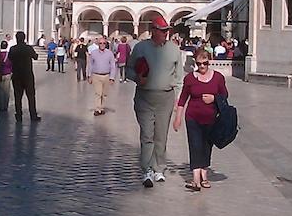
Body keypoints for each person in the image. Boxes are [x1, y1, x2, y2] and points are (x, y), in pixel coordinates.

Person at [128, 16, 182, 187]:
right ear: (153, 31)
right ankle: (147, 169)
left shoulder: (174, 50)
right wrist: (137, 78)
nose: (166, 34)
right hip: (145, 96)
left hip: (165, 97)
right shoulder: (140, 48)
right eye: (162, 31)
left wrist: (177, 101)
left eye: (167, 31)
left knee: (161, 135)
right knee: (147, 134)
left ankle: (159, 167)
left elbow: (179, 77)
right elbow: (128, 69)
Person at [173, 48, 228, 191]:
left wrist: (214, 98)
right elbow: (183, 99)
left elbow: (224, 96)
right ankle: (196, 179)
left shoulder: (218, 78)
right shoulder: (190, 78)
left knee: (206, 146)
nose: (202, 67)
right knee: (195, 145)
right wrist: (177, 117)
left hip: (211, 118)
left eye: (205, 63)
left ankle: (204, 175)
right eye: (199, 64)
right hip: (192, 117)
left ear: (209, 62)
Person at [8, 31, 41, 121]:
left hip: (17, 75)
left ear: (16, 38)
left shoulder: (13, 49)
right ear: (24, 38)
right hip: (28, 75)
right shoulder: (28, 48)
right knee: (31, 96)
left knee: (17, 96)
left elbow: (9, 59)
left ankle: (18, 115)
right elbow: (35, 57)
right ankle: (33, 115)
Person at [88, 35, 118, 116]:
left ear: (106, 44)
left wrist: (112, 77)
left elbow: (112, 66)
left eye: (104, 43)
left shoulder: (109, 53)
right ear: (98, 44)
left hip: (106, 76)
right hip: (96, 75)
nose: (102, 44)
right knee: (98, 93)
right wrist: (89, 76)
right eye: (100, 43)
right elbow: (90, 64)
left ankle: (102, 107)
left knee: (104, 94)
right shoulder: (93, 53)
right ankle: (98, 109)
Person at [0, 40, 13, 114]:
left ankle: (0, 106)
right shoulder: (9, 55)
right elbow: (11, 64)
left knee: (0, 90)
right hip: (8, 73)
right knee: (7, 91)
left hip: (0, 74)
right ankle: (5, 106)